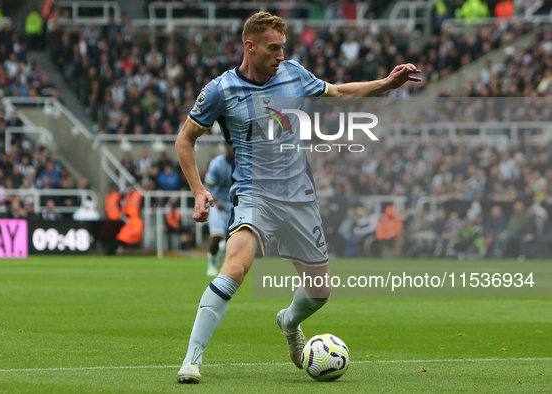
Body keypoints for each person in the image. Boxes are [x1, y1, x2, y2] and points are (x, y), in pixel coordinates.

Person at [175, 11, 420, 383]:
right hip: (254, 194)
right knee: (236, 267)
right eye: (272, 48)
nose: (279, 55)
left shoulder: (294, 74)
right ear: (250, 46)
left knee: (320, 292)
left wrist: (386, 83)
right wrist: (198, 190)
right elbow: (185, 139)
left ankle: (288, 323)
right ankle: (191, 360)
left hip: (300, 197)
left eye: (283, 48)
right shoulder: (220, 89)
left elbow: (339, 92)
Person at [204, 144, 234, 277]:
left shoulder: (244, 164)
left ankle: (223, 257)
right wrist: (215, 201)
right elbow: (207, 187)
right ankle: (211, 263)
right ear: (226, 146)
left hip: (236, 205)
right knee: (216, 236)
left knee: (233, 240)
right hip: (216, 203)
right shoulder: (217, 164)